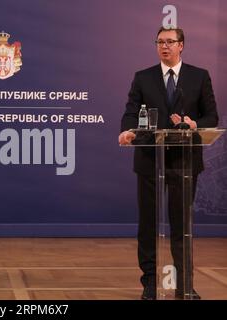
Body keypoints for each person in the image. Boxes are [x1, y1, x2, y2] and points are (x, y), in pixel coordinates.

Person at [119, 27, 218, 300]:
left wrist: (193, 123)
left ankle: (185, 285)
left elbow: (212, 117)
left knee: (181, 227)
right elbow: (131, 112)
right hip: (151, 161)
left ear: (181, 45)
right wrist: (127, 130)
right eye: (160, 42)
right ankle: (150, 284)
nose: (165, 47)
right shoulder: (143, 77)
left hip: (184, 163)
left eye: (170, 42)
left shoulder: (199, 76)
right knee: (148, 225)